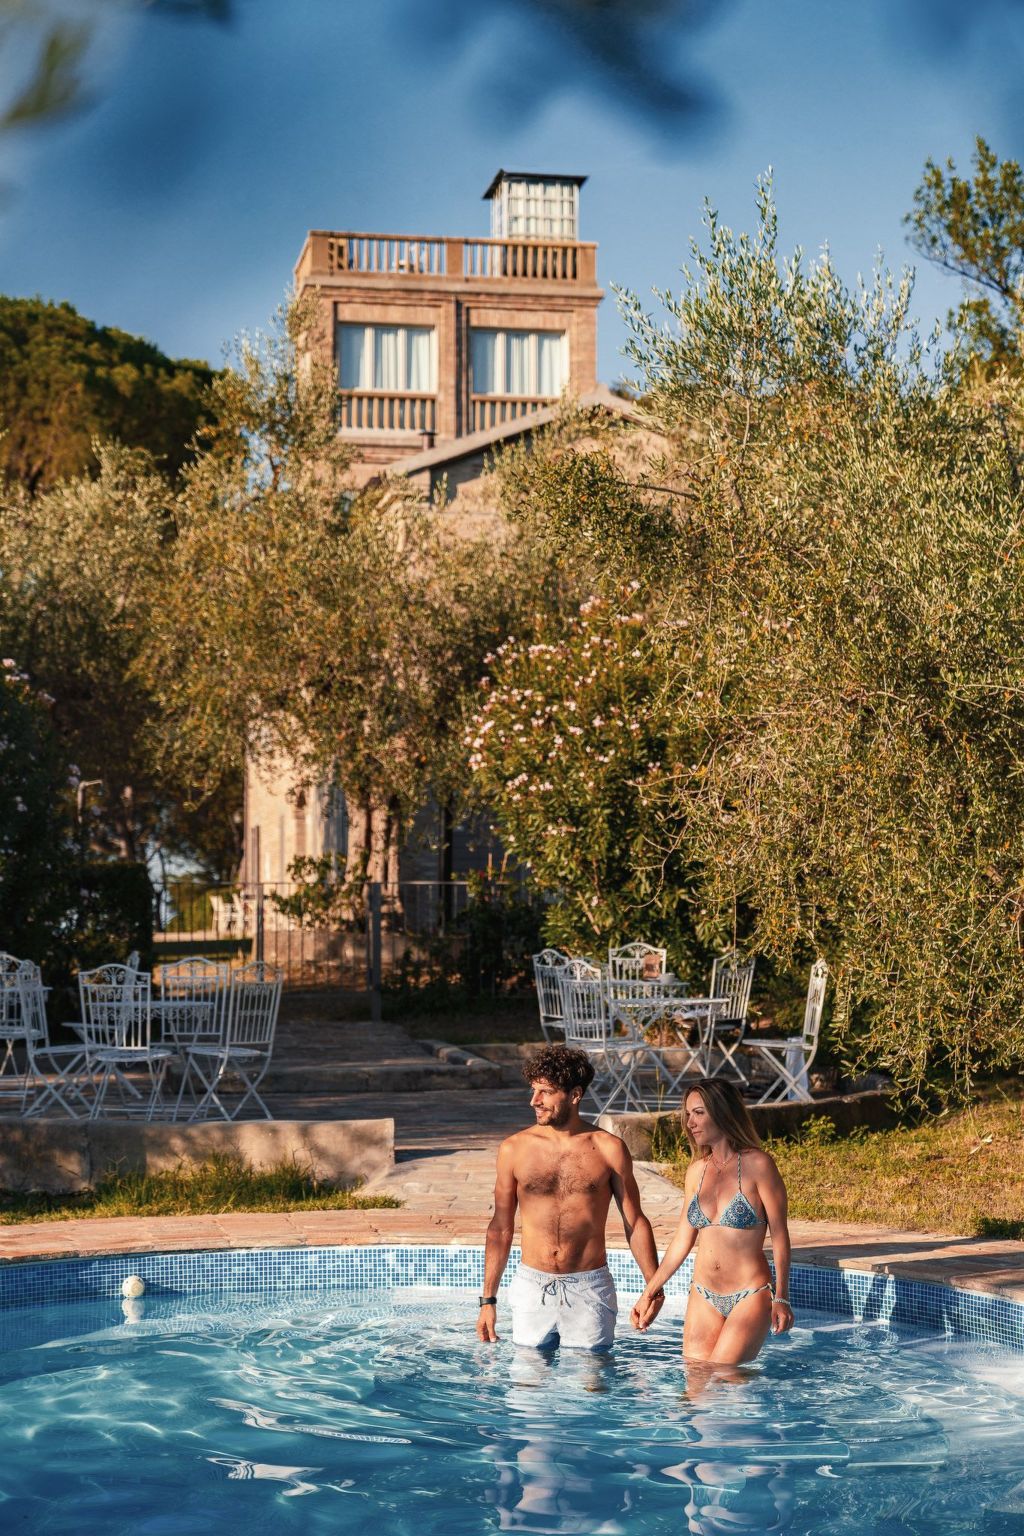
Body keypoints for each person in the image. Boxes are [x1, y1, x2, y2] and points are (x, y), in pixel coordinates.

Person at [476, 1043, 665, 1350]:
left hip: (590, 1287)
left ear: (575, 1095)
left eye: (545, 1092)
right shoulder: (514, 1149)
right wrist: (488, 1300)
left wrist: (653, 1288)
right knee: (527, 1391)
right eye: (534, 1090)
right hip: (532, 1285)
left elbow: (635, 1221)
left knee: (591, 1390)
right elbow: (500, 1228)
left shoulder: (609, 1148)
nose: (533, 1101)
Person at [631, 1079, 794, 1363]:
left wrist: (781, 1297)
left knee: (722, 1381)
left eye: (699, 1113)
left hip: (749, 1293)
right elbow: (683, 1239)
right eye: (688, 1114)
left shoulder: (758, 1165)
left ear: (722, 1112)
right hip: (703, 1294)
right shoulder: (696, 1172)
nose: (689, 1122)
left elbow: (780, 1236)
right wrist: (649, 1292)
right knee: (694, 1385)